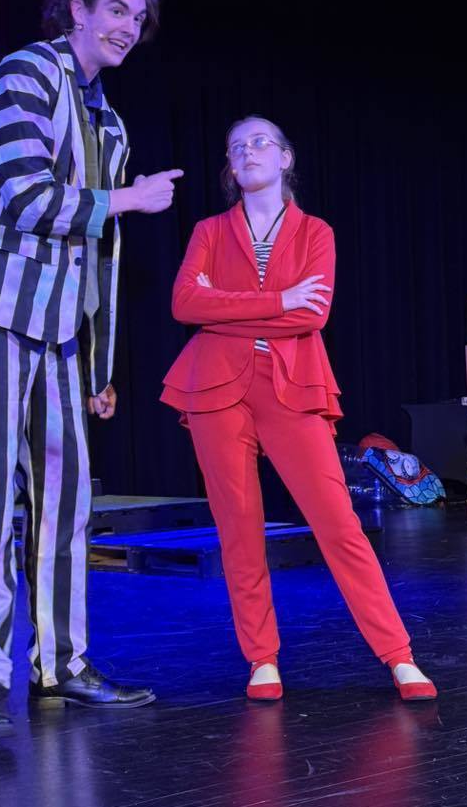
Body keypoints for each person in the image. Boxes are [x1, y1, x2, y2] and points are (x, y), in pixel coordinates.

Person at [0, 0, 183, 737]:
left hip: (59, 329)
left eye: (137, 19)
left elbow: (100, 254)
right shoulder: (20, 76)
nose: (127, 28)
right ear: (77, 9)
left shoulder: (109, 122)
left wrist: (99, 365)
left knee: (67, 499)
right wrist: (130, 197)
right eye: (116, 10)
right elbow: (29, 197)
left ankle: (62, 664)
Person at [161, 116, 436, 703]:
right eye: (236, 147)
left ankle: (399, 655)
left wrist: (226, 307)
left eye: (260, 141)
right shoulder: (210, 231)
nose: (247, 151)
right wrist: (277, 300)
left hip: (293, 386)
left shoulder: (316, 232)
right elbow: (185, 303)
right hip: (215, 388)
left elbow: (311, 315)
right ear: (230, 168)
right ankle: (261, 659)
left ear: (285, 158)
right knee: (238, 529)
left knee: (338, 523)